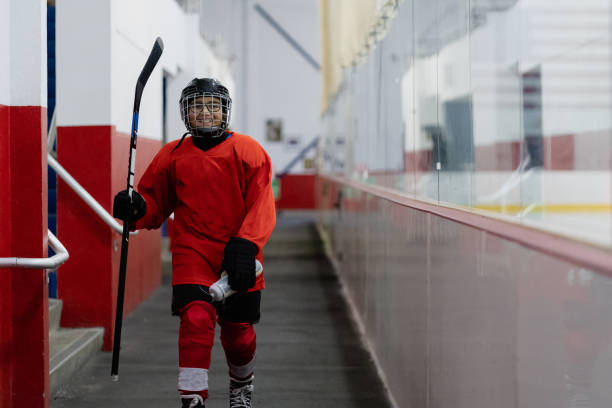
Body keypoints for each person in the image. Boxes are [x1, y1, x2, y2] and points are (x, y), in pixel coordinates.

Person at [113, 78, 276, 408]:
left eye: (213, 106)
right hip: (193, 251)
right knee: (196, 319)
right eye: (198, 106)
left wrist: (247, 243)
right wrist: (137, 208)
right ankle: (192, 397)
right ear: (186, 113)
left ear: (224, 112)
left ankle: (242, 383)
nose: (205, 112)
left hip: (239, 255)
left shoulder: (248, 151)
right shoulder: (172, 154)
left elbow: (262, 204)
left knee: (239, 334)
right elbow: (155, 203)